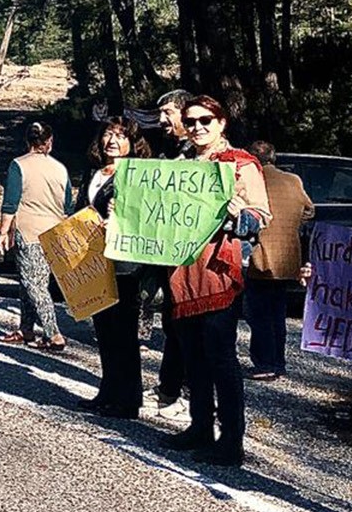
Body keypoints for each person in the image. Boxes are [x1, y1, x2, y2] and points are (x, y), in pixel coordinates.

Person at [167, 95, 270, 467]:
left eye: (205, 120)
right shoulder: (177, 166)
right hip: (180, 271)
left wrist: (242, 214)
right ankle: (199, 426)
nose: (197, 127)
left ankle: (231, 439)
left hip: (218, 273)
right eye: (191, 121)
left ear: (221, 122)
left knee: (220, 358)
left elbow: (262, 215)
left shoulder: (240, 165)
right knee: (191, 356)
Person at [82, 117, 152, 417]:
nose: (112, 140)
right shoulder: (94, 172)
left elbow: (143, 215)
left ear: (132, 143)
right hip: (95, 261)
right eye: (108, 134)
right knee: (104, 330)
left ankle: (128, 399)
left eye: (121, 136)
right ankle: (107, 390)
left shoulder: (137, 175)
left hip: (125, 265)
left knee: (123, 332)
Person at [0, 122, 75, 350]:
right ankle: (26, 328)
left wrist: (3, 231)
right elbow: (67, 204)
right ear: (49, 142)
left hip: (28, 230)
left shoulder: (18, 165)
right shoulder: (61, 168)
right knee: (30, 281)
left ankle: (53, 334)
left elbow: (10, 201)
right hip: (54, 231)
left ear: (27, 141)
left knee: (34, 285)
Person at [243, 140, 313, 381]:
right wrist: (291, 226)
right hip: (287, 257)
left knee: (258, 314)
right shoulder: (293, 180)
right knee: (277, 314)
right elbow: (309, 210)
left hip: (259, 255)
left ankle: (264, 363)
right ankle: (278, 362)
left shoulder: (253, 180)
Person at [147, 87, 196, 417]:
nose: (162, 120)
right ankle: (169, 387)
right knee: (172, 321)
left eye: (168, 113)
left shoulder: (197, 156)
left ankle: (189, 392)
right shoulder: (167, 152)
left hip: (192, 257)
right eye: (160, 114)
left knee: (189, 324)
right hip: (167, 254)